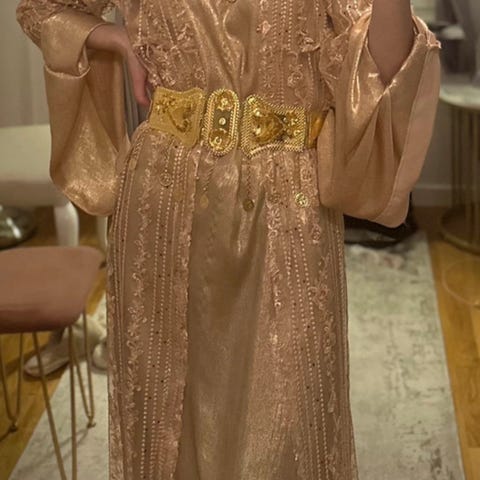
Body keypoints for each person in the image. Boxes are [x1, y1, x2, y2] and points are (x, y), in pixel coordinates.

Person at [16, 1, 441, 479]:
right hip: (165, 202)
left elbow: (386, 69)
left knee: (289, 424)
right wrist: (114, 38)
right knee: (170, 423)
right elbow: (44, 10)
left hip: (286, 208)